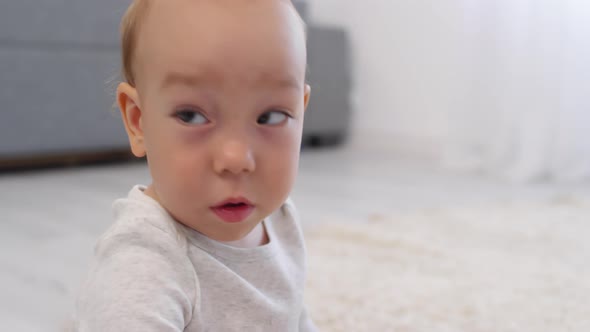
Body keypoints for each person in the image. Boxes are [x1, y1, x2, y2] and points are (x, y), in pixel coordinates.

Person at [74, 0, 317, 330]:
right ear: (138, 122)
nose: (235, 159)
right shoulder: (143, 269)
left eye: (271, 116)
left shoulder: (280, 218)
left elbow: (290, 315)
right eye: (191, 116)